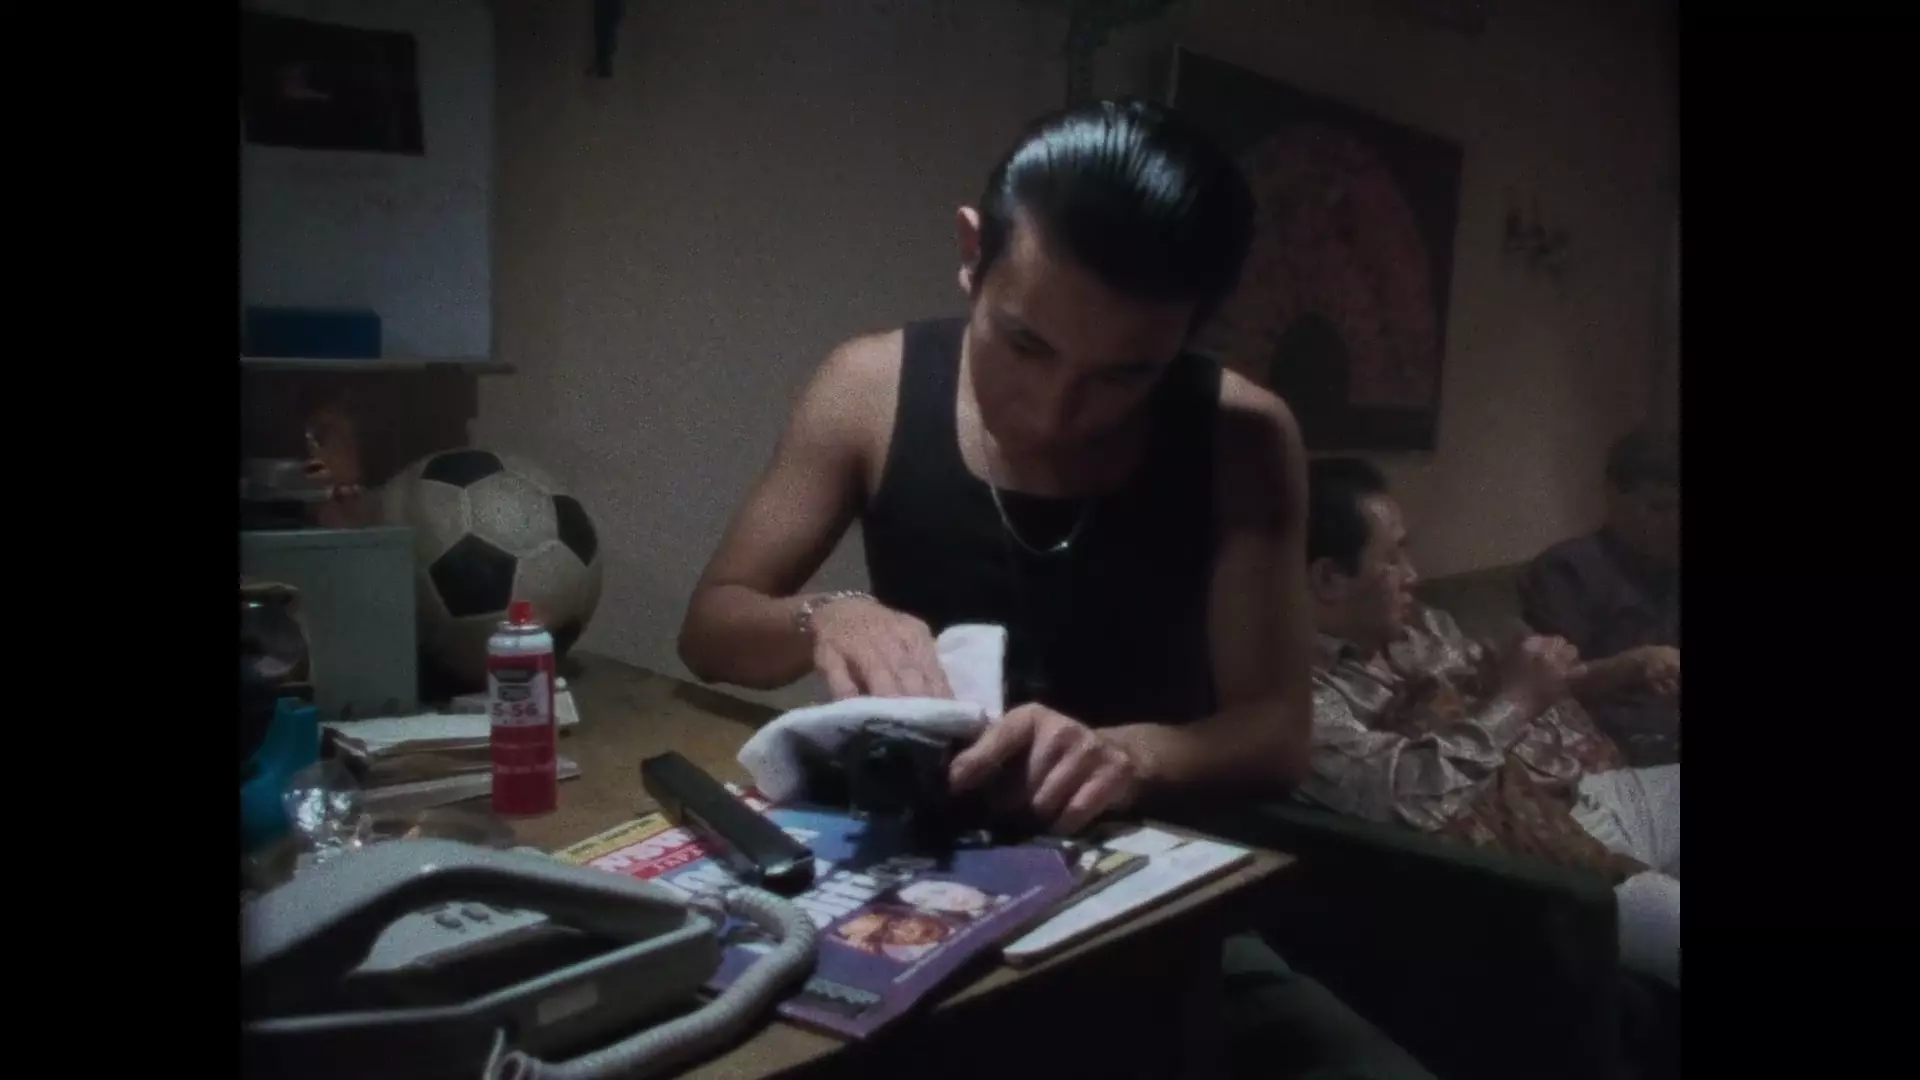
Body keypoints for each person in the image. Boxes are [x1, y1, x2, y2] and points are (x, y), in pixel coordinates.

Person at [679, 99, 1433, 1079]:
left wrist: (1127, 754)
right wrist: (829, 613)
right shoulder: (867, 388)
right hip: (914, 877)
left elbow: (1274, 734)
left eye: (1125, 376)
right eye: (1025, 344)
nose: (1055, 410)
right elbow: (714, 625)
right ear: (972, 254)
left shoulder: (1242, 435)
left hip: (1144, 901)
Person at [1298, 457, 1679, 988]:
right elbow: (1401, 796)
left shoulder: (1420, 627)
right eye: (1392, 558)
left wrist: (1623, 666)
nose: (1413, 575)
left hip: (1591, 792)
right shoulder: (1299, 698)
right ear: (1328, 578)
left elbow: (1529, 683)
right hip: (1540, 852)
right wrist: (1517, 699)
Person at [1520, 426, 1680, 766]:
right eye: (1659, 508)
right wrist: (1636, 663)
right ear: (1613, 496)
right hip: (1610, 747)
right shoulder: (1566, 570)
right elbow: (1552, 687)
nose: (1674, 523)